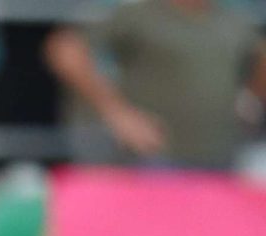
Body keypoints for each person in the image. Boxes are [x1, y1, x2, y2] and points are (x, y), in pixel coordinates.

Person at [46, 0, 266, 169]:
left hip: (219, 160)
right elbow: (66, 49)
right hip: (152, 160)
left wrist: (249, 99)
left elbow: (256, 61)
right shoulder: (136, 12)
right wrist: (117, 112)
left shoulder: (232, 19)